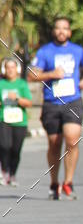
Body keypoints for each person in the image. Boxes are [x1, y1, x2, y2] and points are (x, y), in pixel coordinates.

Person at [29, 16, 83, 200]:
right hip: (52, 102)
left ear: (70, 32)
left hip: (73, 101)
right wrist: (51, 74)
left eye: (65, 28)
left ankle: (68, 182)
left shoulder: (77, 50)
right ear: (54, 31)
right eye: (58, 28)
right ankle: (54, 182)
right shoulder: (44, 52)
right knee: (54, 144)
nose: (61, 31)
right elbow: (32, 75)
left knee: (72, 141)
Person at [0, 58, 33, 186]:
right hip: (4, 119)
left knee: (16, 149)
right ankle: (5, 171)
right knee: (4, 146)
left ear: (17, 69)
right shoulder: (1, 84)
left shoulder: (22, 84)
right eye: (7, 67)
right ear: (4, 70)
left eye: (12, 67)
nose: (10, 70)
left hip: (19, 121)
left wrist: (17, 98)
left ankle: (12, 174)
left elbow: (29, 102)